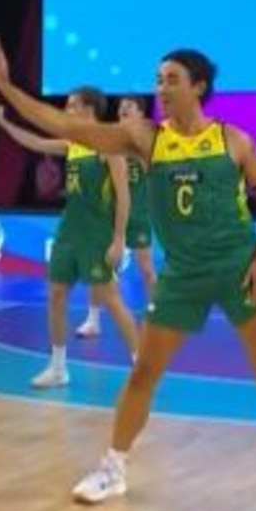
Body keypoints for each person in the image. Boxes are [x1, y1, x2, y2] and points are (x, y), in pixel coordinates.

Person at [0, 36, 256, 511]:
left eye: (171, 79)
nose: (161, 88)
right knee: (144, 370)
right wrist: (6, 87)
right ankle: (113, 470)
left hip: (239, 266)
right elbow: (64, 124)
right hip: (182, 274)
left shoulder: (233, 140)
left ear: (199, 87)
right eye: (157, 80)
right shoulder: (144, 138)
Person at [0, 95, 140, 386]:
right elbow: (33, 142)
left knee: (110, 298)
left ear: (88, 109)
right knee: (56, 295)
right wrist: (3, 122)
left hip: (96, 235)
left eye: (71, 105)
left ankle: (141, 366)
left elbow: (124, 196)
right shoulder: (72, 144)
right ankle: (58, 369)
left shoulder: (109, 145)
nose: (65, 110)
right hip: (67, 232)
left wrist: (119, 239)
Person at [76, 95, 158, 338]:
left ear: (141, 114)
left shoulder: (148, 143)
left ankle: (155, 315)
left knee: (146, 268)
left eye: (129, 107)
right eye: (121, 106)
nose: (122, 109)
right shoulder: (109, 139)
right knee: (100, 269)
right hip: (109, 216)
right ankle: (93, 321)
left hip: (139, 215)